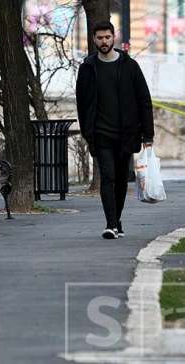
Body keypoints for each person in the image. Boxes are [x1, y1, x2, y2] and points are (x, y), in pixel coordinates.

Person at [75, 20, 154, 239]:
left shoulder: (129, 66)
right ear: (94, 40)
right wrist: (87, 132)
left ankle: (116, 220)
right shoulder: (88, 68)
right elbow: (82, 103)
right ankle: (110, 224)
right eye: (99, 38)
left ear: (114, 37)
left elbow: (144, 101)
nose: (104, 41)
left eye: (107, 37)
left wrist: (148, 134)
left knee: (120, 180)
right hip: (100, 135)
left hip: (126, 134)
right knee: (107, 177)